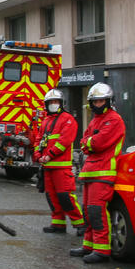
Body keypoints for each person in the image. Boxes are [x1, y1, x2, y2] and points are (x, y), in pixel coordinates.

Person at [70, 82, 125, 264]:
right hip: (90, 171)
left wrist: (89, 143)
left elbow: (97, 143)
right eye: (95, 101)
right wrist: (89, 143)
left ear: (108, 101)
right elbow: (84, 141)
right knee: (87, 211)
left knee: (96, 211)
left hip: (103, 172)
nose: (97, 104)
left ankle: (102, 250)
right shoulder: (95, 120)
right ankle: (88, 245)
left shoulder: (114, 119)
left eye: (101, 101)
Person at [33, 89, 85, 236]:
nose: (53, 104)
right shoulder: (45, 121)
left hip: (61, 166)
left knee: (65, 196)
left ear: (62, 103)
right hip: (47, 167)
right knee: (52, 197)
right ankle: (58, 223)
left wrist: (48, 155)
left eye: (56, 102)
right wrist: (38, 155)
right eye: (51, 102)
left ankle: (80, 223)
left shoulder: (68, 119)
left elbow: (64, 141)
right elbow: (38, 140)